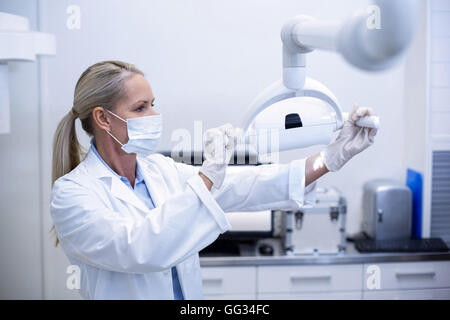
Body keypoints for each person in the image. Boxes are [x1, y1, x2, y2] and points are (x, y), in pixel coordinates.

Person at [50, 60, 378, 300]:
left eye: (153, 105)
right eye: (140, 108)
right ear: (103, 118)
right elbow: (142, 248)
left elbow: (248, 184)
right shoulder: (73, 195)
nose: (154, 116)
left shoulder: (160, 170)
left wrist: (330, 158)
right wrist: (207, 176)